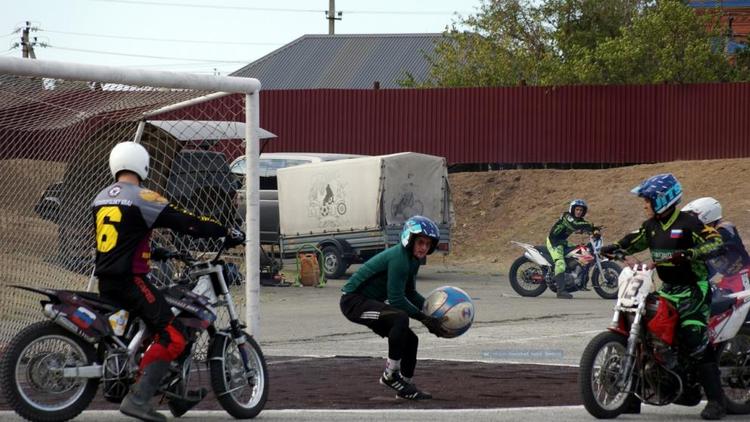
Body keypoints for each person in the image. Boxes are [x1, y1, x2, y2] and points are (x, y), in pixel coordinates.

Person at [92, 142, 245, 422]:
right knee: (172, 334)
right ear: (143, 165)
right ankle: (138, 399)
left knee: (153, 325)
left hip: (106, 280)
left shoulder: (101, 197)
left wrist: (155, 251)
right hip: (131, 281)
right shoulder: (142, 196)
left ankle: (173, 393)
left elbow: (123, 237)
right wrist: (224, 230)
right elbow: (186, 222)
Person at [600, 174, 726, 420]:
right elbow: (632, 240)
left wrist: (690, 253)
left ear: (663, 200)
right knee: (644, 335)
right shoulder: (651, 227)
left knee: (693, 337)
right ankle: (630, 398)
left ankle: (716, 401)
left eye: (647, 200)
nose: (644, 205)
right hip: (668, 289)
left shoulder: (689, 223)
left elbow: (716, 243)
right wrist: (613, 247)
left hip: (694, 290)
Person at [339, 215, 446, 400]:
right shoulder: (399, 258)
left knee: (411, 339)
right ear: (409, 239)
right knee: (400, 317)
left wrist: (433, 312)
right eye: (420, 242)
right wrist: (425, 319)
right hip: (353, 302)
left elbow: (410, 292)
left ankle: (405, 386)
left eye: (428, 244)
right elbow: (396, 299)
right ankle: (390, 374)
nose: (424, 247)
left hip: (369, 302)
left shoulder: (412, 260)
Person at [682, 197, 750, 280]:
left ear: (706, 215)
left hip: (745, 274)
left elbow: (714, 245)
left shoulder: (724, 228)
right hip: (729, 279)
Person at [546, 199, 600, 299]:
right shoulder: (567, 216)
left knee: (583, 252)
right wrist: (591, 226)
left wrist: (596, 231)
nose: (579, 212)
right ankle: (560, 291)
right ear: (572, 209)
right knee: (560, 264)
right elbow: (575, 225)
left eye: (581, 210)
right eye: (577, 209)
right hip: (554, 242)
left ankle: (578, 279)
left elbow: (588, 226)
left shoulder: (581, 221)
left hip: (563, 242)